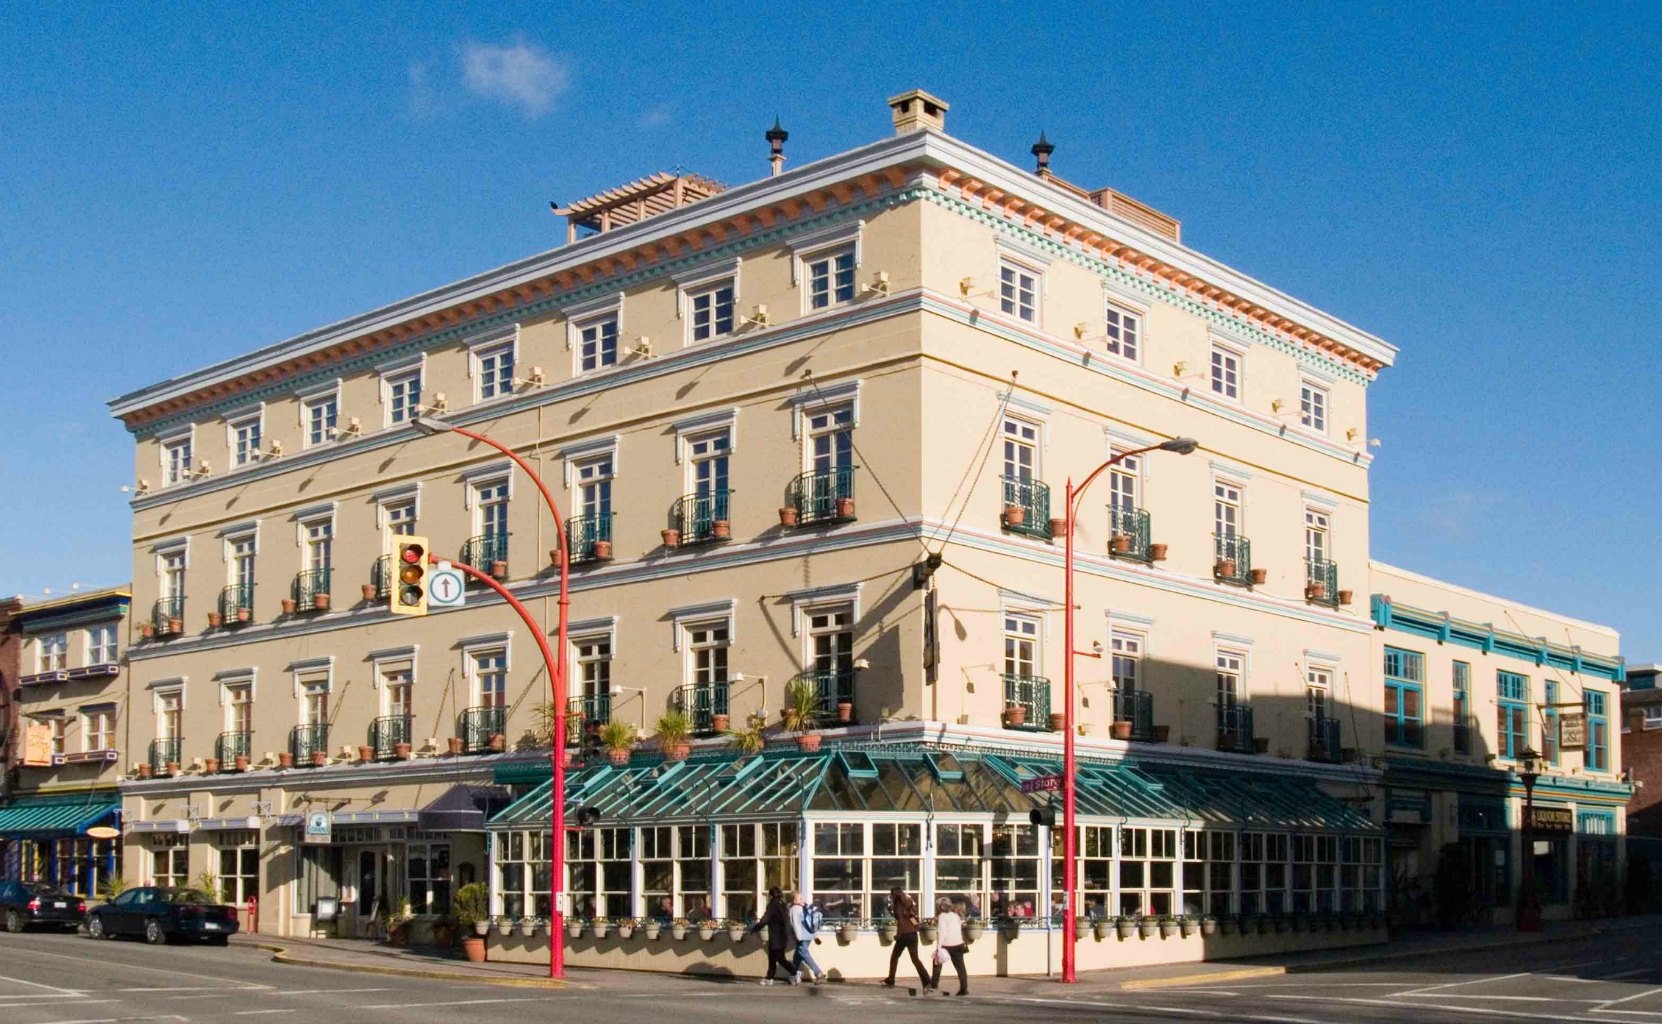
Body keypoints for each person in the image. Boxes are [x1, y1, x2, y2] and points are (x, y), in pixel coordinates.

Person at [882, 886, 929, 990]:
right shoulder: (908, 903)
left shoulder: (898, 905)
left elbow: (901, 922)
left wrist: (898, 935)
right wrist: (916, 926)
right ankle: (926, 981)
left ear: (894, 895)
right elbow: (912, 917)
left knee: (894, 957)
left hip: (904, 935)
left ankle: (891, 979)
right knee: (915, 959)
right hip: (913, 934)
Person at [749, 886, 793, 985]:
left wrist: (755, 928)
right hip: (783, 934)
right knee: (772, 957)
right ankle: (770, 977)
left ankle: (795, 972)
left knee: (779, 958)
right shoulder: (783, 904)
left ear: (770, 895)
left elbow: (765, 919)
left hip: (776, 935)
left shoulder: (773, 905)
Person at [929, 897, 969, 997]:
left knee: (937, 964)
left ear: (940, 907)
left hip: (947, 944)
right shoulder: (955, 915)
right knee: (960, 968)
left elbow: (941, 933)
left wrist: (938, 948)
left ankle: (934, 986)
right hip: (958, 943)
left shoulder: (942, 917)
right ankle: (964, 989)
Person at [788, 891, 826, 984]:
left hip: (802, 936)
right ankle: (794, 975)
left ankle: (819, 973)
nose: (802, 900)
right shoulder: (805, 908)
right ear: (794, 900)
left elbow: (795, 924)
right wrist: (815, 935)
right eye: (800, 898)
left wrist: (798, 937)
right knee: (797, 955)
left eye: (802, 898)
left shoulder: (795, 909)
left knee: (804, 955)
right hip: (809, 935)